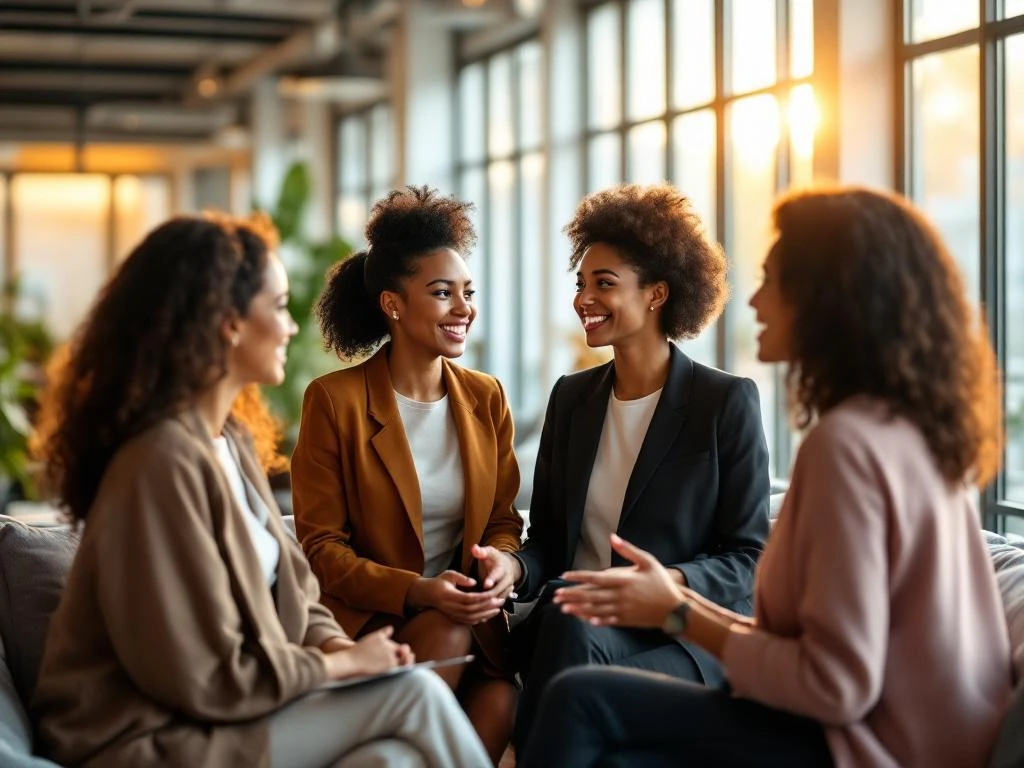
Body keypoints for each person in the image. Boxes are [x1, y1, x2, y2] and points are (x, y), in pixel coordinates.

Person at [522, 187, 1014, 768]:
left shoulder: (842, 445)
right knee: (581, 680)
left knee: (582, 701)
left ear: (825, 301)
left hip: (873, 741)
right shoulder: (912, 431)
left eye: (771, 281)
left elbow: (834, 682)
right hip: (913, 731)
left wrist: (674, 606)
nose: (752, 300)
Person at [30, 213, 491, 768]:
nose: (291, 327)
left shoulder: (228, 440)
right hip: (146, 734)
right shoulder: (158, 463)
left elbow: (298, 596)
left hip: (233, 713)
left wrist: (343, 649)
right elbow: (204, 676)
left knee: (393, 760)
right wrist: (341, 667)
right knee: (414, 694)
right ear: (228, 323)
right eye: (278, 306)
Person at [500, 183, 770, 751]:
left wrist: (666, 585)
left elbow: (749, 557)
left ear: (657, 294)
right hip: (573, 620)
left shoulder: (723, 402)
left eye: (604, 283)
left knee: (569, 629)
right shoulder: (571, 398)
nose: (584, 299)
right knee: (567, 621)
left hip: (673, 635)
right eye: (580, 283)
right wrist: (514, 569)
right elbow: (547, 539)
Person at [290, 186, 523, 764]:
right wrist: (419, 591)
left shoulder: (487, 397)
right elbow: (321, 550)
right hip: (376, 623)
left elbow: (502, 521)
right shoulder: (335, 401)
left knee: (503, 699)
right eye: (442, 293)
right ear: (393, 305)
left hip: (471, 628)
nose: (463, 308)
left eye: (468, 292)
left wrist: (500, 563)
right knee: (446, 629)